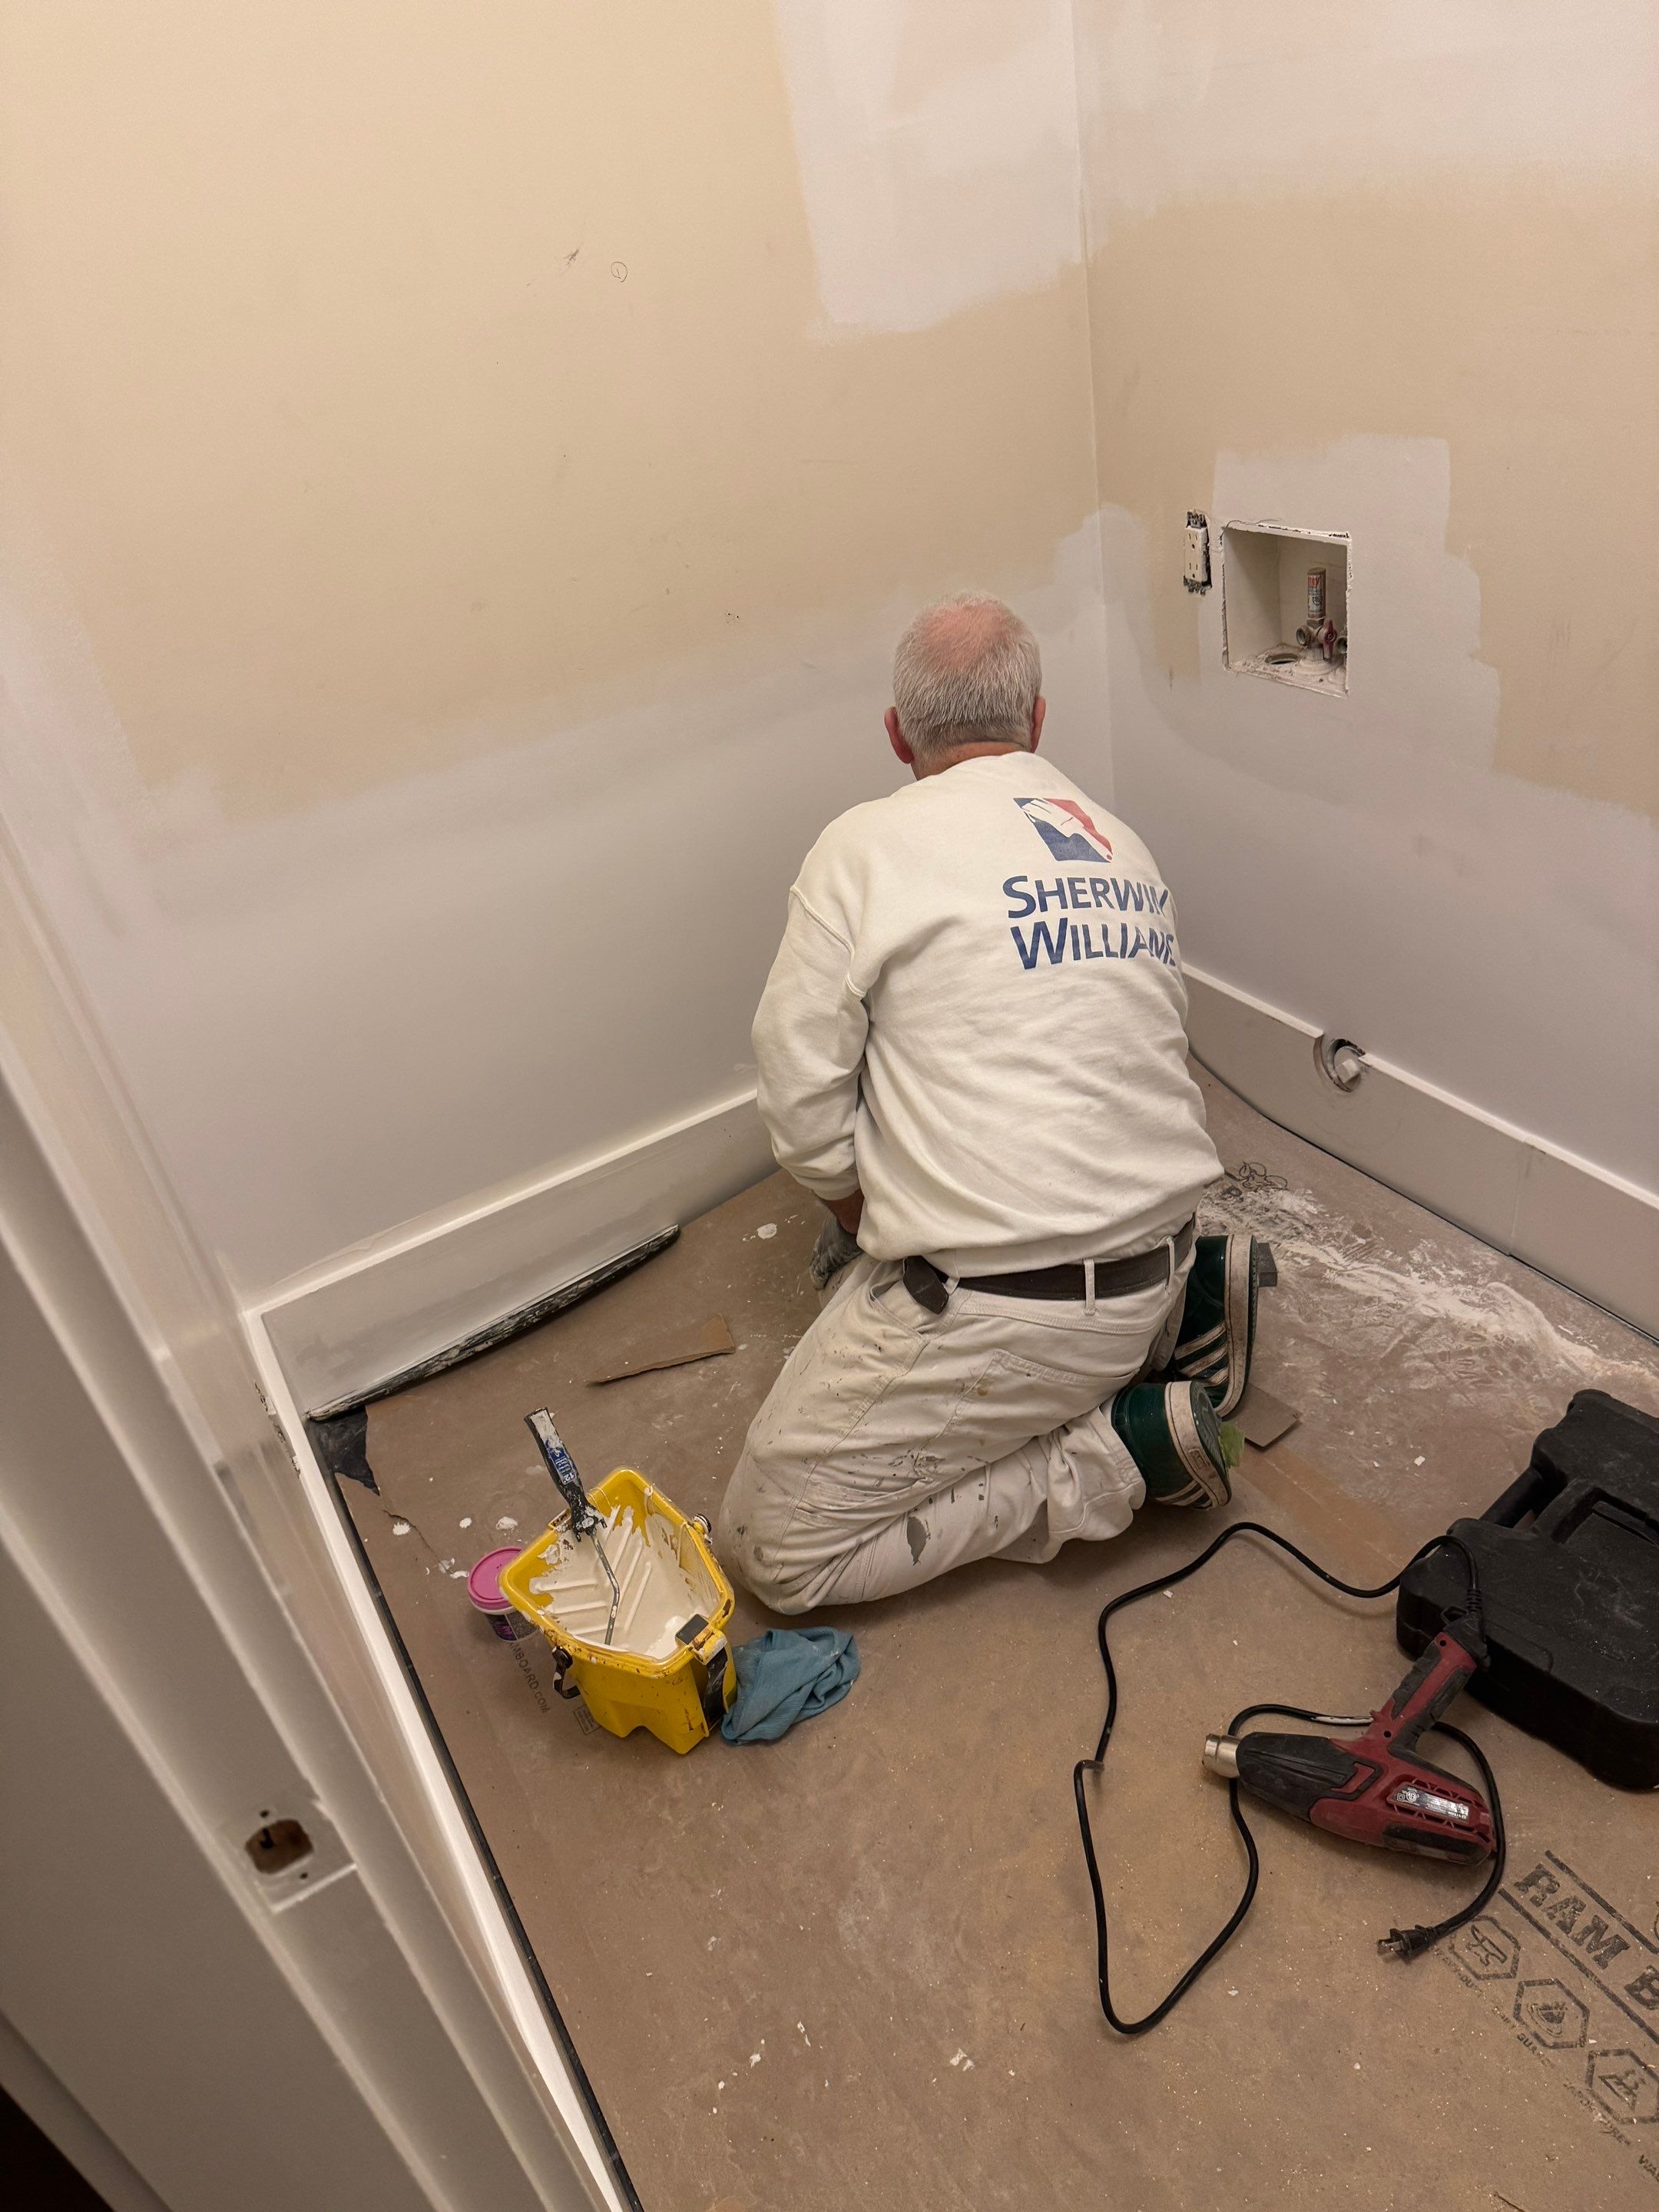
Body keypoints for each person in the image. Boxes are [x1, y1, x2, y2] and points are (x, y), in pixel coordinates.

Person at [718, 594, 1266, 1614]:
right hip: (1159, 1241)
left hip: (1018, 1314)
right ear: (1038, 722)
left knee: (773, 1552)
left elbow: (798, 1092)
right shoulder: (1117, 841)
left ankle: (1120, 1456)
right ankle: (1177, 1318)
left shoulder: (864, 847)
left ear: (897, 736)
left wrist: (862, 1215)